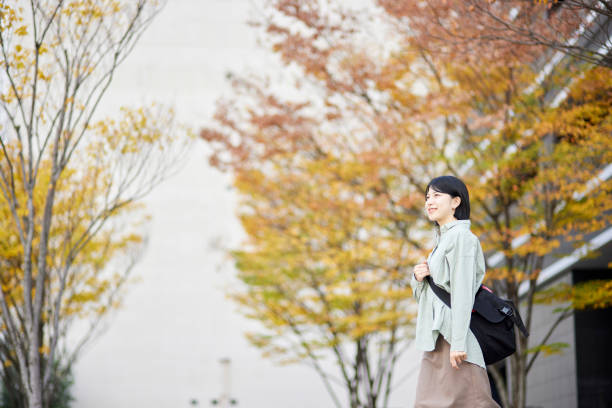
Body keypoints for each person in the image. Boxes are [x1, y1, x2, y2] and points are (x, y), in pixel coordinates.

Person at [411, 175, 500, 407]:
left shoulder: (462, 238)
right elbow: (428, 297)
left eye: (437, 195)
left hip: (455, 338)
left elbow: (462, 293)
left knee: (472, 402)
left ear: (456, 202)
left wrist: (459, 344)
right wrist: (419, 277)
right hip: (437, 336)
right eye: (427, 196)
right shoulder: (442, 241)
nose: (429, 201)